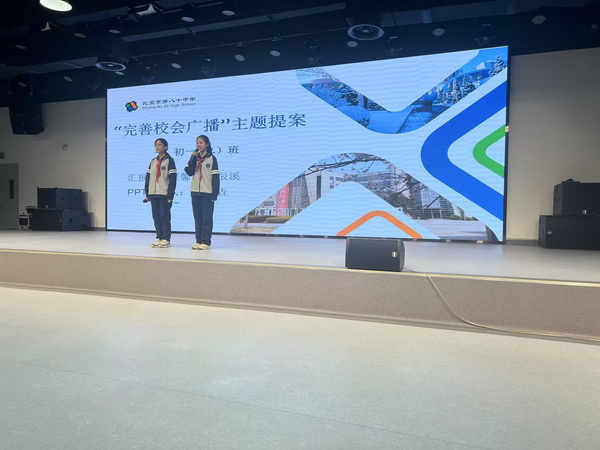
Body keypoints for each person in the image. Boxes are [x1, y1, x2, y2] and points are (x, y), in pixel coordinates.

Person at [184, 135, 220, 250]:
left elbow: (215, 178)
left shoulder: (212, 159)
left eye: (201, 143)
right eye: (197, 143)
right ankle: (198, 240)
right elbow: (189, 172)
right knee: (197, 218)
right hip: (195, 192)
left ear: (207, 144)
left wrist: (214, 194)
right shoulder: (195, 158)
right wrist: (192, 158)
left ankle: (206, 242)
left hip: (207, 193)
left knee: (207, 219)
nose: (198, 145)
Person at [145, 138, 177, 248]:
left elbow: (172, 179)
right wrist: (147, 193)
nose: (157, 147)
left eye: (159, 145)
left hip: (164, 194)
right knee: (156, 217)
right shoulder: (153, 161)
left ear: (165, 147)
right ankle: (159, 237)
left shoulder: (170, 161)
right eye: (156, 145)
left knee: (165, 218)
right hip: (153, 194)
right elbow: (148, 178)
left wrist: (170, 195)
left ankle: (166, 239)